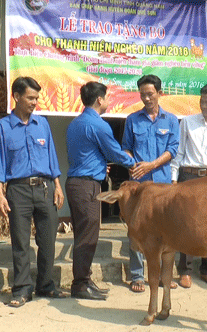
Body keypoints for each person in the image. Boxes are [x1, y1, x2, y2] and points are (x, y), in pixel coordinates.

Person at [0, 77, 67, 307]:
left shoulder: (42, 124)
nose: (35, 102)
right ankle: (22, 289)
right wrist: (0, 195)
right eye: (30, 98)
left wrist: (58, 186)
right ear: (16, 96)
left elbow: (52, 156)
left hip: (45, 188)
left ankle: (46, 285)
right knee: (21, 242)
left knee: (48, 240)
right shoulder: (2, 128)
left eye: (37, 98)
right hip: (18, 190)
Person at [65, 82, 136, 300]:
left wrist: (98, 163)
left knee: (83, 234)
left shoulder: (75, 123)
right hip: (87, 186)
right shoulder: (99, 125)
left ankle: (84, 280)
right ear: (99, 100)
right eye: (106, 98)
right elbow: (114, 153)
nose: (108, 102)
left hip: (77, 182)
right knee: (88, 236)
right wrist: (135, 162)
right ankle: (80, 284)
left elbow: (86, 153)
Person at [122, 74, 180, 292]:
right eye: (142, 95)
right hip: (138, 184)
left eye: (150, 94)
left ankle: (166, 276)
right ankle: (137, 276)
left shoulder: (171, 120)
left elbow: (172, 150)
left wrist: (151, 165)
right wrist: (131, 162)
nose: (146, 99)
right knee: (137, 230)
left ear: (159, 93)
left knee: (168, 230)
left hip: (163, 185)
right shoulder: (132, 119)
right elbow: (126, 147)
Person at [170, 84, 207, 288]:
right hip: (190, 176)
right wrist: (173, 179)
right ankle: (185, 271)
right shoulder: (187, 122)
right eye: (202, 101)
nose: (204, 105)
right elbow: (178, 153)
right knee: (187, 224)